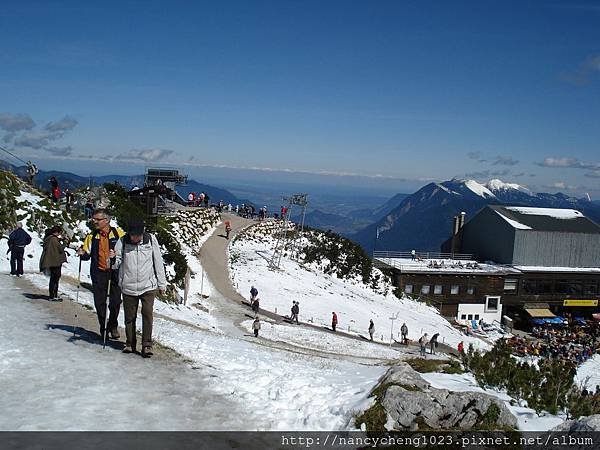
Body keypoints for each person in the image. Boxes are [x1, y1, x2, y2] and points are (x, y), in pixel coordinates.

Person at [114, 218, 167, 357]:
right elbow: (116, 263)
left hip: (148, 286)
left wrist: (162, 284)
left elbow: (158, 261)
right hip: (128, 285)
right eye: (133, 235)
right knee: (129, 316)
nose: (135, 237)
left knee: (147, 314)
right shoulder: (122, 241)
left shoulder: (150, 240)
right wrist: (112, 259)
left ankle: (147, 345)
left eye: (138, 234)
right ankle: (130, 343)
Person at [78, 209, 125, 340]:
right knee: (100, 303)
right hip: (98, 272)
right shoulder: (92, 236)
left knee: (115, 302)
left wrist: (117, 256)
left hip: (115, 272)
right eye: (94, 219)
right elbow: (87, 255)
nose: (94, 222)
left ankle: (112, 324)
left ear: (107, 220)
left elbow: (125, 252)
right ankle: (103, 328)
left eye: (97, 220)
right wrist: (82, 254)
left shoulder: (118, 234)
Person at [39, 225, 67, 301]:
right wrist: (65, 242)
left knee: (53, 279)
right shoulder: (54, 240)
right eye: (59, 232)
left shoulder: (49, 238)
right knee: (55, 279)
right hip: (55, 262)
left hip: (51, 261)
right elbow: (60, 249)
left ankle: (52, 295)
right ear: (57, 232)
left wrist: (60, 240)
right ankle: (53, 295)